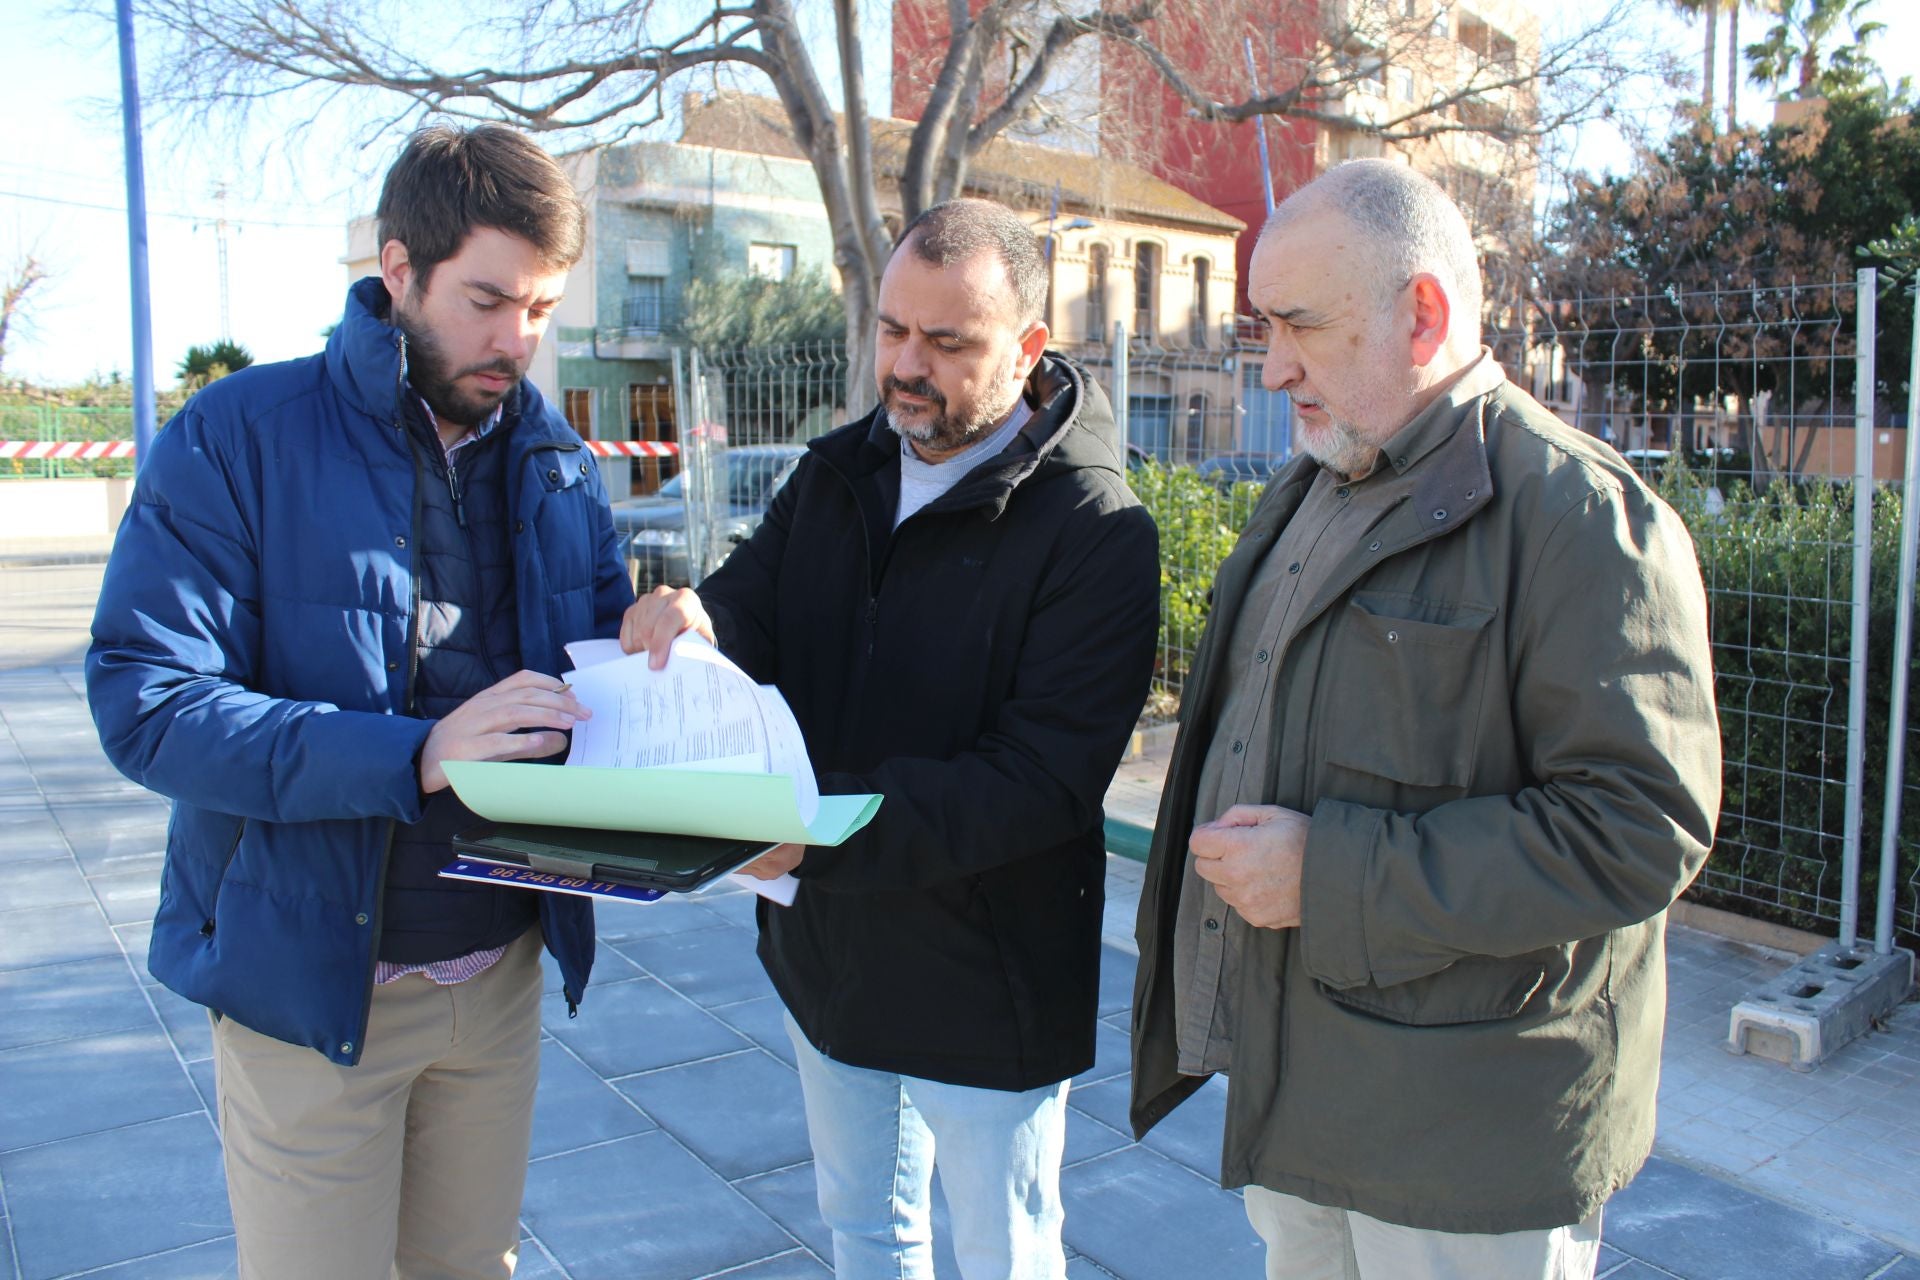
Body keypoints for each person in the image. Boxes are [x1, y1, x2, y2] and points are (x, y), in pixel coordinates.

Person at [1128, 159, 1722, 1280]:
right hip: (1299, 1099)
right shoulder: (1312, 484)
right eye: (1265, 325)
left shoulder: (1579, 516)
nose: (1272, 365)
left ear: (1425, 314)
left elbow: (1640, 829)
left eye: (1300, 324)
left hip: (1466, 1153)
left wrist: (1332, 873)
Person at [86, 124, 633, 1280]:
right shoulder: (238, 437)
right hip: (309, 992)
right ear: (399, 270)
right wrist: (415, 750)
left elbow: (597, 689)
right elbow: (145, 699)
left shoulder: (560, 461)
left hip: (498, 979)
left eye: (540, 308)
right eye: (489, 299)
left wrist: (668, 649)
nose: (517, 341)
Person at [621, 197, 1159, 1279]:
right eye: (892, 330)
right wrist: (699, 618)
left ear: (1029, 346)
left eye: (948, 343)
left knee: (1006, 1253)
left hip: (989, 970)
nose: (908, 366)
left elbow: (1037, 781)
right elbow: (752, 603)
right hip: (833, 953)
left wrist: (810, 832)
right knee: (865, 1233)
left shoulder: (1096, 527)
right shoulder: (838, 470)